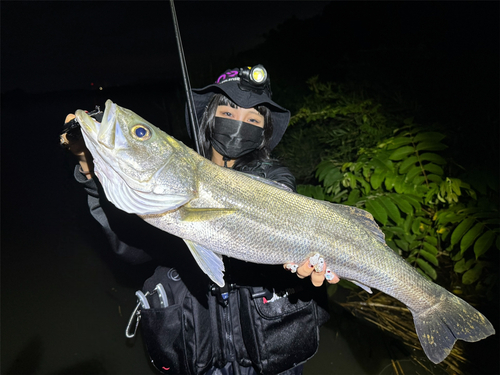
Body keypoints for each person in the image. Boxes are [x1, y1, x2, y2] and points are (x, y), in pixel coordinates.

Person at [61, 64, 339, 375]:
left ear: (264, 130)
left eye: (252, 118)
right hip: (200, 358)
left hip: (270, 360)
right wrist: (90, 167)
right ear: (208, 117)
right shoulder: (172, 179)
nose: (239, 124)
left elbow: (282, 200)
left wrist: (301, 264)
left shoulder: (273, 178)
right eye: (229, 113)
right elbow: (131, 249)